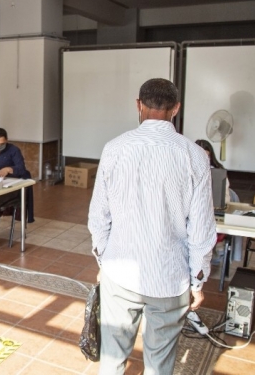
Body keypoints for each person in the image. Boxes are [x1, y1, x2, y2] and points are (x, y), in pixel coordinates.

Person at [88, 79, 215, 374]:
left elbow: (98, 217)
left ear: (139, 105)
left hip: (120, 273)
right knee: (159, 364)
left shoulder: (114, 149)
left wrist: (105, 260)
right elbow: (202, 230)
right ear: (176, 109)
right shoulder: (195, 156)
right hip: (169, 278)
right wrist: (197, 280)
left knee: (112, 359)